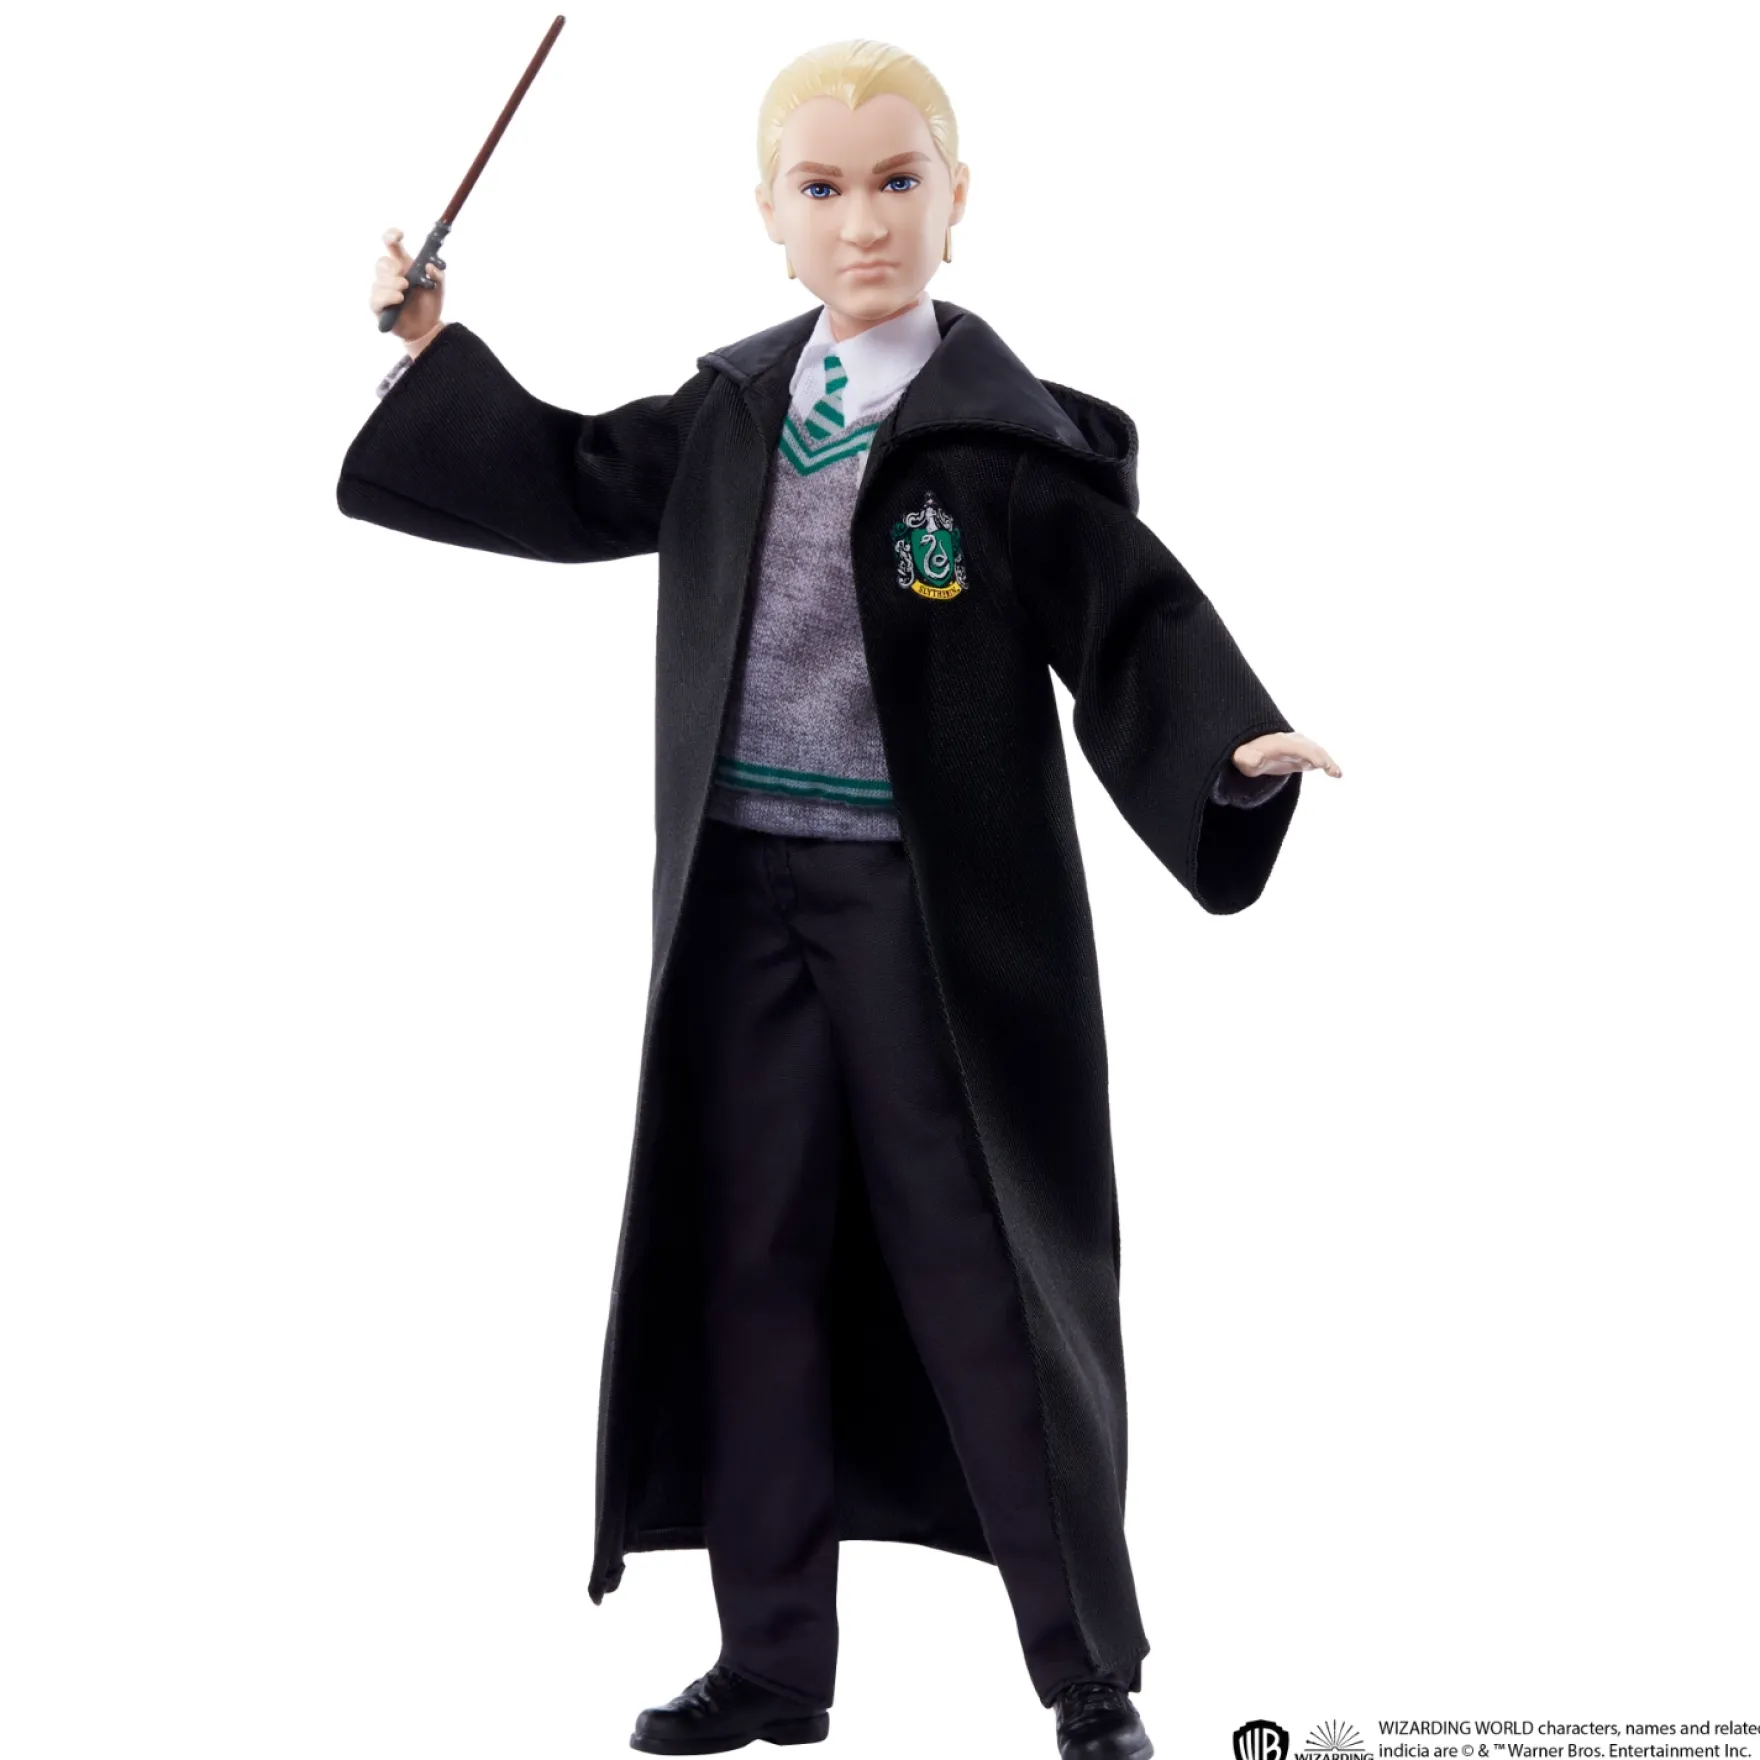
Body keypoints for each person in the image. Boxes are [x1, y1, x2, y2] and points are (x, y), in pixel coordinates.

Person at [340, 37, 1341, 1759]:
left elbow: (1127, 614)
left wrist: (1226, 745)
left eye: (897, 182)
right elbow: (575, 477)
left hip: (923, 917)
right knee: (751, 1260)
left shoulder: (1001, 445)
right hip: (741, 893)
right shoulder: (736, 409)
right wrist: (437, 352)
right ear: (768, 215)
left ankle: (1085, 1673)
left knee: (984, 1268)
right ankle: (771, 1660)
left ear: (958, 203)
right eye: (823, 187)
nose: (863, 222)